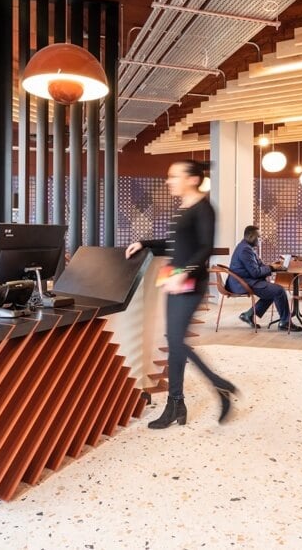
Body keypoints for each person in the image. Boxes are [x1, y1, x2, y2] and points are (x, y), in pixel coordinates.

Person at [125, 160, 237, 429]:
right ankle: (176, 405)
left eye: (174, 176)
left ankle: (219, 385)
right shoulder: (184, 207)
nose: (169, 181)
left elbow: (205, 249)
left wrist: (183, 273)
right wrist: (144, 242)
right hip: (174, 281)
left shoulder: (204, 209)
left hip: (189, 283)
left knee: (176, 341)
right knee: (174, 344)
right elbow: (175, 244)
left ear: (193, 179)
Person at [228, 225, 302, 332]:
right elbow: (255, 272)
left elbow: (258, 266)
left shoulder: (246, 247)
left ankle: (248, 315)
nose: (260, 239)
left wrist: (272, 266)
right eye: (258, 237)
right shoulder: (245, 249)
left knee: (272, 292)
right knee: (279, 290)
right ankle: (285, 323)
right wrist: (271, 267)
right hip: (244, 282)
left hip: (248, 280)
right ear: (250, 236)